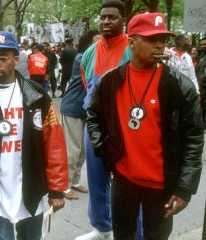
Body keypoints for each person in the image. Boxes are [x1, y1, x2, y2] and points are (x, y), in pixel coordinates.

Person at [86, 12, 203, 239]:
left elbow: (194, 139)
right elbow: (93, 116)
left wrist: (184, 189)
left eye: (163, 38)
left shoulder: (179, 85)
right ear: (132, 42)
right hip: (123, 181)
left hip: (162, 185)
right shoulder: (109, 81)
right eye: (151, 39)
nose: (160, 45)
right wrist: (104, 148)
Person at [0, 31, 68, 240]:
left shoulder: (37, 96)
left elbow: (54, 143)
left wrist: (56, 189)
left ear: (16, 59)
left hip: (31, 188)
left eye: (2, 58)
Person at [77, 1, 134, 239]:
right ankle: (102, 228)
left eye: (112, 17)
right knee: (96, 179)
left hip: (126, 127)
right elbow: (86, 86)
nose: (106, 22)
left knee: (129, 182)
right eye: (102, 18)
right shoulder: (89, 53)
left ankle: (133, 232)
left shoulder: (133, 48)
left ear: (124, 19)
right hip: (95, 126)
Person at [60, 30, 100, 201]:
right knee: (72, 149)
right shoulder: (82, 57)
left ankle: (75, 181)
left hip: (86, 109)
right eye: (97, 41)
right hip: (73, 107)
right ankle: (64, 185)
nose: (100, 44)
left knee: (83, 149)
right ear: (88, 43)